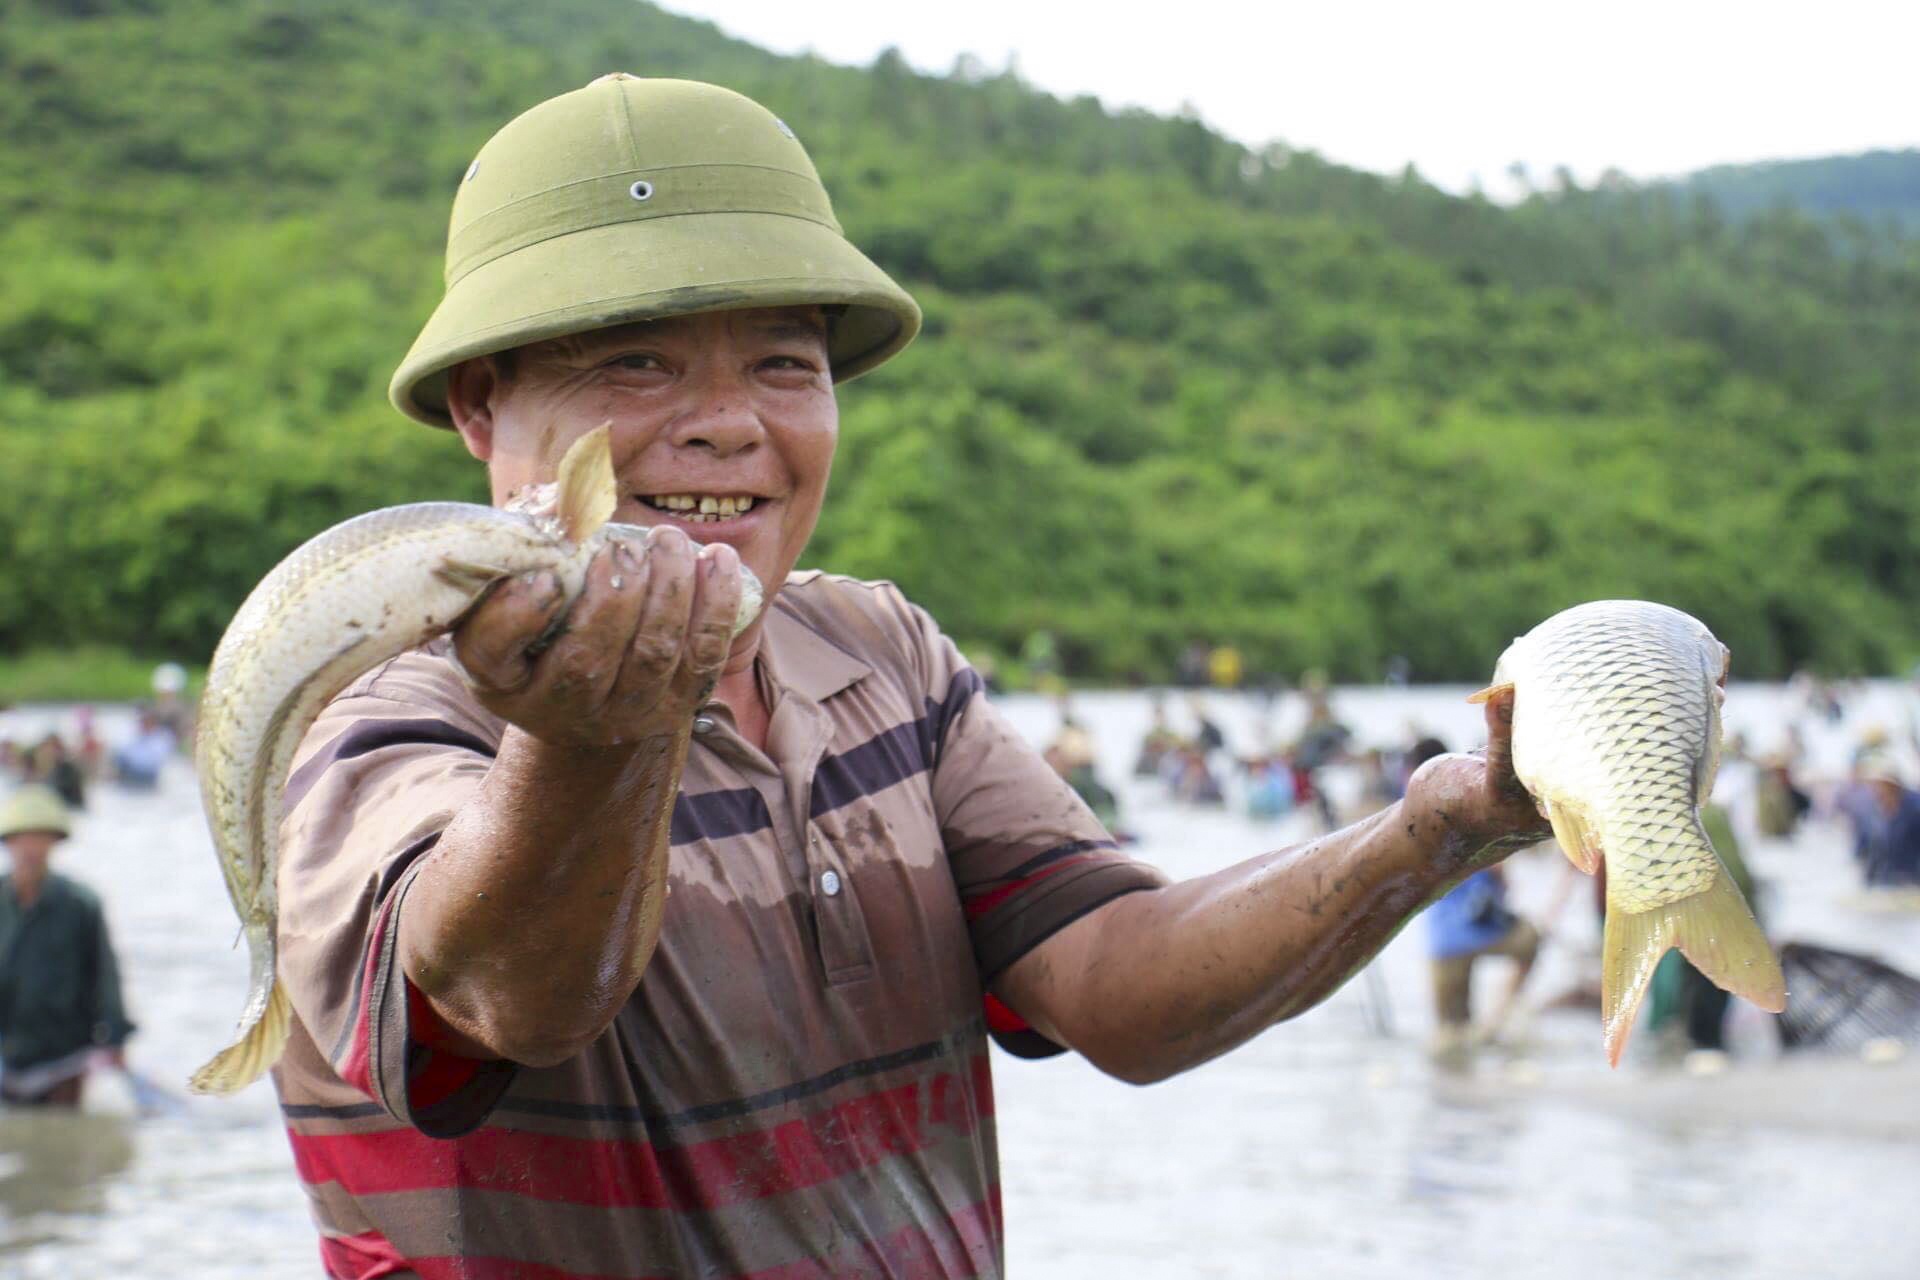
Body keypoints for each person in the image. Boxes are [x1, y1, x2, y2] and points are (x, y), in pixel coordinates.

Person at [266, 75, 1546, 1279]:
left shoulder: (877, 652)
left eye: (783, 361)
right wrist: (599, 735)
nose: (729, 421)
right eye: (637, 362)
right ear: (484, 411)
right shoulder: (364, 713)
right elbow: (509, 995)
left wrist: (1441, 821)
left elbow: (1120, 989)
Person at [0, 786, 136, 1106]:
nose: (31, 848)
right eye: (23, 838)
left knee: (60, 1131)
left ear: (54, 842)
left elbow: (105, 974)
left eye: (40, 838)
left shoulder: (81, 905)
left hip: (64, 1052)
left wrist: (115, 1039)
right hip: (6, 1046)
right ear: (9, 842)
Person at [1417, 738, 1538, 1047]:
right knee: (1531, 941)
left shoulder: (1415, 812)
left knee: (1449, 1038)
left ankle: (1451, 1089)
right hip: (1482, 929)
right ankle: (1496, 1021)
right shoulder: (1475, 804)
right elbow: (1501, 876)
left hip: (1442, 942)